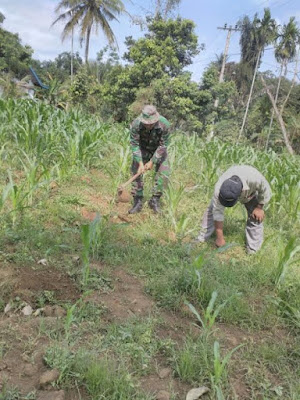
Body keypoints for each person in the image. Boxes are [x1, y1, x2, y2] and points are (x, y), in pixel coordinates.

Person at [195, 165, 272, 253]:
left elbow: (265, 190)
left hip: (251, 192)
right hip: (234, 189)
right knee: (212, 210)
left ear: (241, 192)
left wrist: (259, 208)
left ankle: (253, 250)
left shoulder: (255, 179)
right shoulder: (219, 188)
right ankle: (201, 238)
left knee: (256, 216)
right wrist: (220, 238)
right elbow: (217, 213)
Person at [128, 105, 171, 214]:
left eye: (151, 123)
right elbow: (134, 144)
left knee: (164, 172)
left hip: (158, 150)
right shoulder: (136, 124)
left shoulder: (164, 124)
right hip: (142, 149)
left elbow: (163, 145)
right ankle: (137, 200)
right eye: (146, 123)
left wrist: (152, 161)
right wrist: (141, 163)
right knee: (135, 170)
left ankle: (155, 200)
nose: (148, 125)